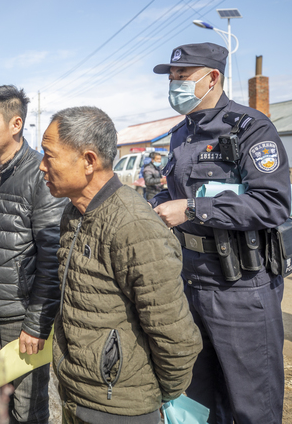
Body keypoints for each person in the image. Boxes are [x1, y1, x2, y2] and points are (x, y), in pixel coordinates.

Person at [150, 43, 291, 424]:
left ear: (212, 78)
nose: (174, 83)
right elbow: (173, 191)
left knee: (250, 404)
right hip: (189, 281)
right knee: (194, 400)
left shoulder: (251, 128)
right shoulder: (180, 134)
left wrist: (194, 209)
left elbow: (272, 203)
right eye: (172, 77)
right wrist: (153, 205)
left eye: (182, 76)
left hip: (240, 287)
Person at [40, 106, 201, 424]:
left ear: (88, 161)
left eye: (49, 156)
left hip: (120, 406)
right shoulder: (74, 211)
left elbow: (174, 332)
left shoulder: (133, 224)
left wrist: (158, 394)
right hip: (78, 393)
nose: (42, 167)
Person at [0, 85, 65, 424]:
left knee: (27, 406)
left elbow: (51, 259)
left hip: (23, 317)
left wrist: (35, 326)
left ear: (16, 124)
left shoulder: (40, 174)